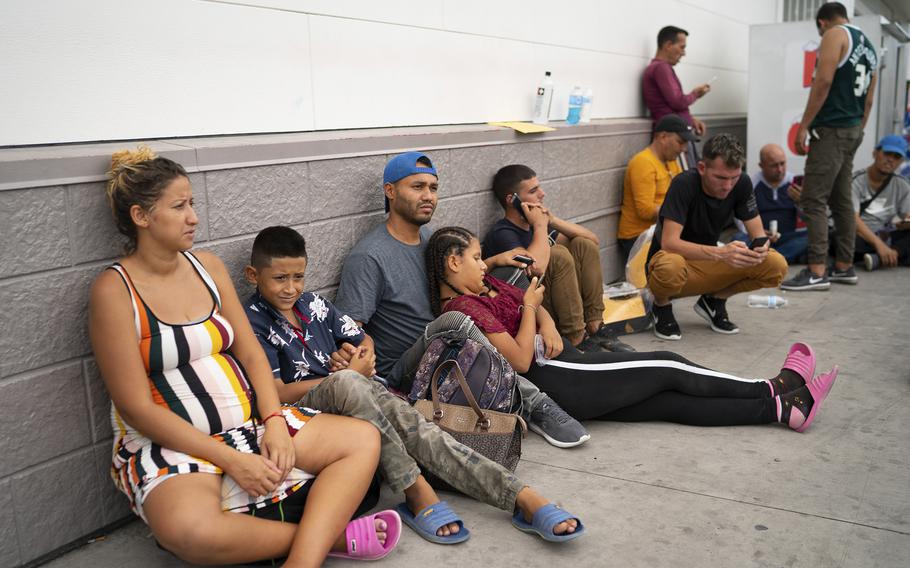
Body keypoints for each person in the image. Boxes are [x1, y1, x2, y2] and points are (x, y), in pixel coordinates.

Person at [88, 147, 400, 567]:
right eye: (179, 206)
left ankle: (301, 560)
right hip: (175, 445)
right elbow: (136, 409)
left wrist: (272, 421)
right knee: (190, 532)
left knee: (361, 439)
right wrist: (233, 461)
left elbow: (252, 356)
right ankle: (331, 537)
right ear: (142, 217)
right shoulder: (114, 291)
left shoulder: (208, 268)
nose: (194, 217)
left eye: (192, 204)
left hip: (249, 424)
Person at [243, 225, 583, 544]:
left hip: (360, 388)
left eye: (298, 277)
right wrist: (343, 375)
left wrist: (358, 356)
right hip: (309, 407)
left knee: (422, 430)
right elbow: (274, 392)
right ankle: (417, 491)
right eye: (280, 279)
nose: (291, 288)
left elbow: (362, 338)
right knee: (350, 384)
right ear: (253, 276)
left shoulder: (312, 304)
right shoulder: (252, 321)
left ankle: (521, 496)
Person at [427, 226, 839, 432]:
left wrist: (546, 319)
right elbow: (517, 359)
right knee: (668, 365)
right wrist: (535, 313)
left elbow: (527, 300)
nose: (485, 264)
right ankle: (772, 386)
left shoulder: (484, 284)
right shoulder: (462, 307)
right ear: (452, 263)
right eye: (477, 258)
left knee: (669, 403)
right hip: (556, 380)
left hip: (564, 363)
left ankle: (784, 410)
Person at [335, 151, 590, 449]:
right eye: (417, 187)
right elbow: (348, 329)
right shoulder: (369, 256)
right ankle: (536, 404)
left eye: (433, 187)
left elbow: (460, 274)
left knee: (514, 271)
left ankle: (533, 354)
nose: (428, 195)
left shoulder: (430, 239)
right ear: (390, 191)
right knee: (455, 319)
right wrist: (358, 358)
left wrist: (494, 261)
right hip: (408, 369)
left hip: (456, 347)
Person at [646, 133, 788, 340]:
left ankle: (714, 301)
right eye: (721, 178)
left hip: (708, 263)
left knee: (775, 264)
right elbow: (669, 243)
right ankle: (661, 305)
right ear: (702, 168)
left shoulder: (743, 183)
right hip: (674, 263)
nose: (728, 186)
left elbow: (758, 233)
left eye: (734, 178)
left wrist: (761, 248)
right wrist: (722, 253)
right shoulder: (683, 184)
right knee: (670, 267)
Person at [482, 163, 635, 353]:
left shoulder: (536, 225)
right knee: (557, 253)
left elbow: (592, 240)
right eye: (533, 190)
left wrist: (552, 221)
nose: (542, 194)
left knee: (582, 244)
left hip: (553, 302)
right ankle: (576, 338)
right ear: (511, 200)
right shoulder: (502, 232)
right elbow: (535, 268)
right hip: (530, 310)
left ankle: (595, 326)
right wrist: (540, 226)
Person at [783, 1, 878, 290]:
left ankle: (815, 270)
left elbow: (823, 82)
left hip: (832, 128)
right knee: (841, 201)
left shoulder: (835, 34)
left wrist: (805, 125)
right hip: (851, 129)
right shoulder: (870, 47)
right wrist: (858, 131)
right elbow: (869, 98)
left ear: (822, 22)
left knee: (813, 199)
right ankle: (844, 266)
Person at [618, 114, 691, 260]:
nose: (684, 148)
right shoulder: (643, 163)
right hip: (638, 236)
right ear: (663, 137)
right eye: (680, 142)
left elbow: (684, 196)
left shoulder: (671, 161)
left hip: (662, 230)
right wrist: (678, 212)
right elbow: (645, 210)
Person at [642, 25, 711, 167]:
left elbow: (672, 104)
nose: (683, 53)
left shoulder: (660, 68)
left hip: (678, 134)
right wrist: (696, 94)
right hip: (674, 137)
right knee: (684, 179)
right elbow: (677, 101)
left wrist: (690, 119)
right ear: (668, 45)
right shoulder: (661, 68)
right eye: (681, 47)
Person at [850, 135, 910, 271]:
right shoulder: (855, 181)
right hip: (858, 236)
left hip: (884, 236)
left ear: (901, 162)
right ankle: (890, 256)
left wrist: (905, 222)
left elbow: (904, 218)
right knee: (843, 238)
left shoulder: (903, 185)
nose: (890, 160)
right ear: (875, 153)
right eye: (887, 154)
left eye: (896, 157)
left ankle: (881, 258)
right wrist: (880, 245)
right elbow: (852, 220)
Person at [745, 143, 808, 263]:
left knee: (813, 237)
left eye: (782, 163)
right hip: (760, 237)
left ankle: (767, 259)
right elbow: (740, 218)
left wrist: (801, 203)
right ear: (761, 166)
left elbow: (808, 219)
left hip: (788, 236)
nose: (780, 169)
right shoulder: (751, 184)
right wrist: (759, 233)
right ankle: (780, 258)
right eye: (774, 165)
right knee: (738, 238)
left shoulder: (794, 183)